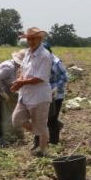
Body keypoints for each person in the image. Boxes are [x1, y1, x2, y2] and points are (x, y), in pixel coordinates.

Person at [10, 27, 55, 157]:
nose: (31, 41)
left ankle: (43, 151)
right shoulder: (27, 53)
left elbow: (40, 77)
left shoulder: (45, 55)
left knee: (41, 125)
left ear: (40, 39)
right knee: (16, 119)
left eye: (33, 38)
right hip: (25, 95)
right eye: (29, 39)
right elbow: (23, 72)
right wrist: (18, 81)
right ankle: (42, 133)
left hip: (40, 97)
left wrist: (22, 83)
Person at [43, 42, 69, 146]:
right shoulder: (43, 61)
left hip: (56, 95)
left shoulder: (56, 62)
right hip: (45, 94)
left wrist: (55, 87)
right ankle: (48, 139)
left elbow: (65, 76)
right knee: (46, 118)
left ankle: (54, 142)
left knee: (52, 118)